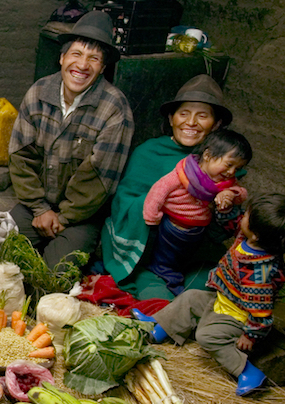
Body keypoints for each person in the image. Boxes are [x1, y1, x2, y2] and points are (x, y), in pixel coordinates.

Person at [133, 193, 285, 396]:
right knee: (190, 297)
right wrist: (225, 209)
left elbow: (261, 312)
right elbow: (233, 224)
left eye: (247, 214)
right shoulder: (251, 238)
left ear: (256, 234)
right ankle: (158, 330)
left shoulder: (258, 274)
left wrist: (250, 335)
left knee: (207, 336)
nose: (242, 216)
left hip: (238, 316)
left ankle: (247, 372)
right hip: (224, 298)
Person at [8, 10, 134, 268]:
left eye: (94, 58)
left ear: (102, 68)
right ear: (62, 57)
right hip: (37, 204)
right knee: (0, 253)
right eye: (76, 54)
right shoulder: (39, 92)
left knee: (54, 275)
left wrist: (62, 218)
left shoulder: (114, 109)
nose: (82, 65)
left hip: (81, 215)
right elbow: (21, 156)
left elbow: (98, 178)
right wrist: (40, 209)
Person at [101, 74, 235, 300]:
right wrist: (163, 205)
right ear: (172, 118)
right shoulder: (149, 153)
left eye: (202, 116)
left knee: (210, 289)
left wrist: (220, 208)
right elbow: (123, 203)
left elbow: (225, 225)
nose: (191, 123)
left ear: (216, 124)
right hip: (149, 254)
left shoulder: (224, 166)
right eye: (183, 114)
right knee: (162, 301)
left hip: (195, 253)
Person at [143, 129, 251, 295]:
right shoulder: (183, 175)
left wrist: (230, 193)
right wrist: (152, 217)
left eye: (238, 168)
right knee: (166, 259)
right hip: (172, 229)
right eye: (229, 165)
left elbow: (242, 193)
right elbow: (158, 191)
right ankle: (167, 281)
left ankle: (182, 274)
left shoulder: (224, 182)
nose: (231, 172)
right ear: (207, 155)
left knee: (185, 259)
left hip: (198, 231)